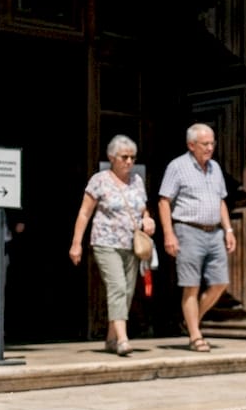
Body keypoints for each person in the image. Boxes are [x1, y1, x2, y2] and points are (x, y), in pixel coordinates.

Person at [69, 134, 154, 356]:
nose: (129, 162)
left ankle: (110, 338)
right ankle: (123, 339)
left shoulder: (137, 180)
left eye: (132, 158)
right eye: (124, 157)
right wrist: (76, 243)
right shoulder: (100, 180)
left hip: (132, 244)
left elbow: (143, 209)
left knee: (127, 291)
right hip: (105, 242)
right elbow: (85, 212)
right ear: (111, 157)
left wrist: (147, 219)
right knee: (117, 287)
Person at [158, 123, 236, 353]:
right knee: (191, 286)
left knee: (221, 282)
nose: (210, 148)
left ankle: (192, 320)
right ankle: (195, 336)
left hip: (214, 232)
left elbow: (220, 200)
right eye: (205, 144)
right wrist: (169, 234)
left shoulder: (215, 168)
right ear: (191, 145)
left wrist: (229, 229)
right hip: (188, 230)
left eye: (212, 143)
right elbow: (164, 201)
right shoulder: (177, 167)